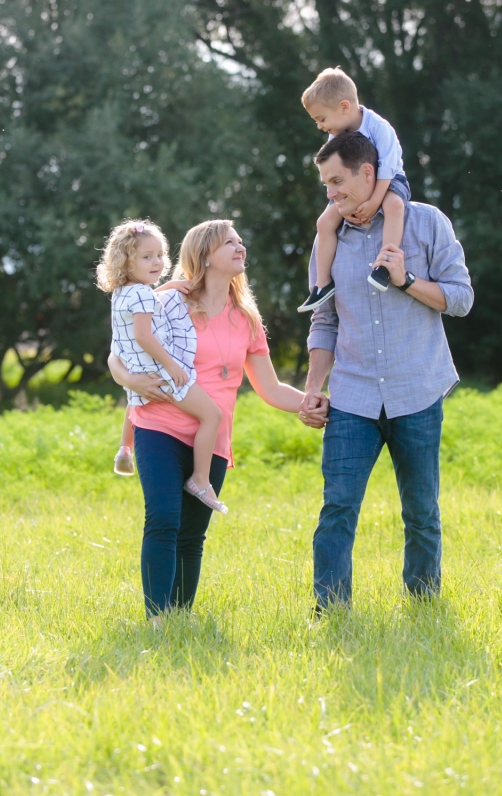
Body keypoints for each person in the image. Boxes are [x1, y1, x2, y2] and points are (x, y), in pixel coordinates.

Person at [298, 129, 474, 607]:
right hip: (352, 397)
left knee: (421, 511)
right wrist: (314, 387)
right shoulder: (330, 239)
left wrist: (406, 280)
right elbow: (325, 318)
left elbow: (460, 298)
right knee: (337, 508)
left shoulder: (425, 224)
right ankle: (330, 610)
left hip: (417, 389)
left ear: (368, 173)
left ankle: (423, 606)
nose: (331, 194)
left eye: (338, 182)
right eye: (326, 186)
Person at [108, 219, 307, 619]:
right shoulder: (167, 302)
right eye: (228, 242)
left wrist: (318, 406)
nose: (240, 247)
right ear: (204, 255)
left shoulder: (247, 319)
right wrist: (131, 379)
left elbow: (270, 388)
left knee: (192, 535)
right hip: (160, 426)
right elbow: (118, 350)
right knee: (163, 518)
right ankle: (157, 619)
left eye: (240, 240)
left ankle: (181, 618)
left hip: (212, 437)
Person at [97, 218, 227, 513]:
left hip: (137, 371)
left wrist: (166, 286)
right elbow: (144, 335)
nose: (157, 262)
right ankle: (201, 479)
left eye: (160, 255)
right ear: (126, 262)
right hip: (161, 373)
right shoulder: (142, 294)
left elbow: (141, 310)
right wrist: (172, 366)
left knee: (135, 402)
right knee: (212, 416)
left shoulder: (122, 293)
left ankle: (124, 448)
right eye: (147, 257)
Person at [298, 66, 410, 312]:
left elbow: (388, 168)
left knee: (394, 206)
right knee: (324, 223)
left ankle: (385, 265)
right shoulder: (336, 136)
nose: (320, 126)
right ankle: (322, 284)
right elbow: (334, 174)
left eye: (322, 119)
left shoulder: (379, 128)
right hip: (357, 188)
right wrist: (342, 207)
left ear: (344, 107)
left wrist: (373, 202)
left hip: (389, 181)